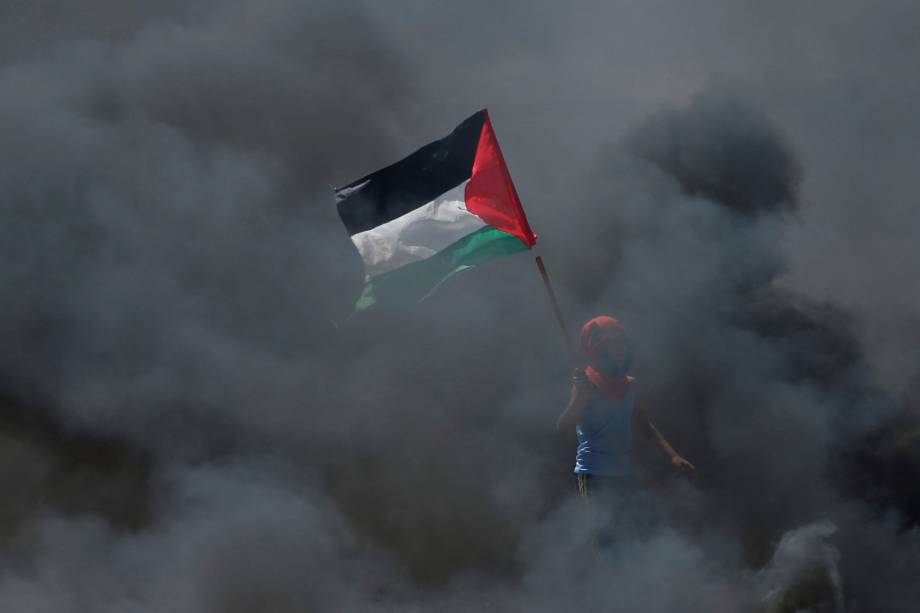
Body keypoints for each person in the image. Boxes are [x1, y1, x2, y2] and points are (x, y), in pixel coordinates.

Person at [556, 315, 694, 498]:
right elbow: (562, 428)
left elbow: (643, 423)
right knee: (594, 525)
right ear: (598, 348)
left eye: (622, 343)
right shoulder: (586, 385)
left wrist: (672, 455)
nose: (620, 350)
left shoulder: (630, 385)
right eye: (613, 344)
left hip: (623, 474)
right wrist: (580, 398)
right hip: (590, 476)